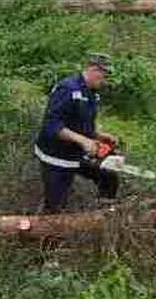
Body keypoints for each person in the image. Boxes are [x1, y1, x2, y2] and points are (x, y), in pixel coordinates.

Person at [34, 54, 120, 213]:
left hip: (77, 152)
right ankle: (42, 231)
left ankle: (106, 215)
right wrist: (84, 141)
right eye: (104, 75)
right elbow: (52, 125)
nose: (105, 80)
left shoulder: (92, 93)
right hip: (56, 157)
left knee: (108, 176)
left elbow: (81, 123)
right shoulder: (67, 89)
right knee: (55, 206)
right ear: (94, 70)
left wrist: (98, 135)